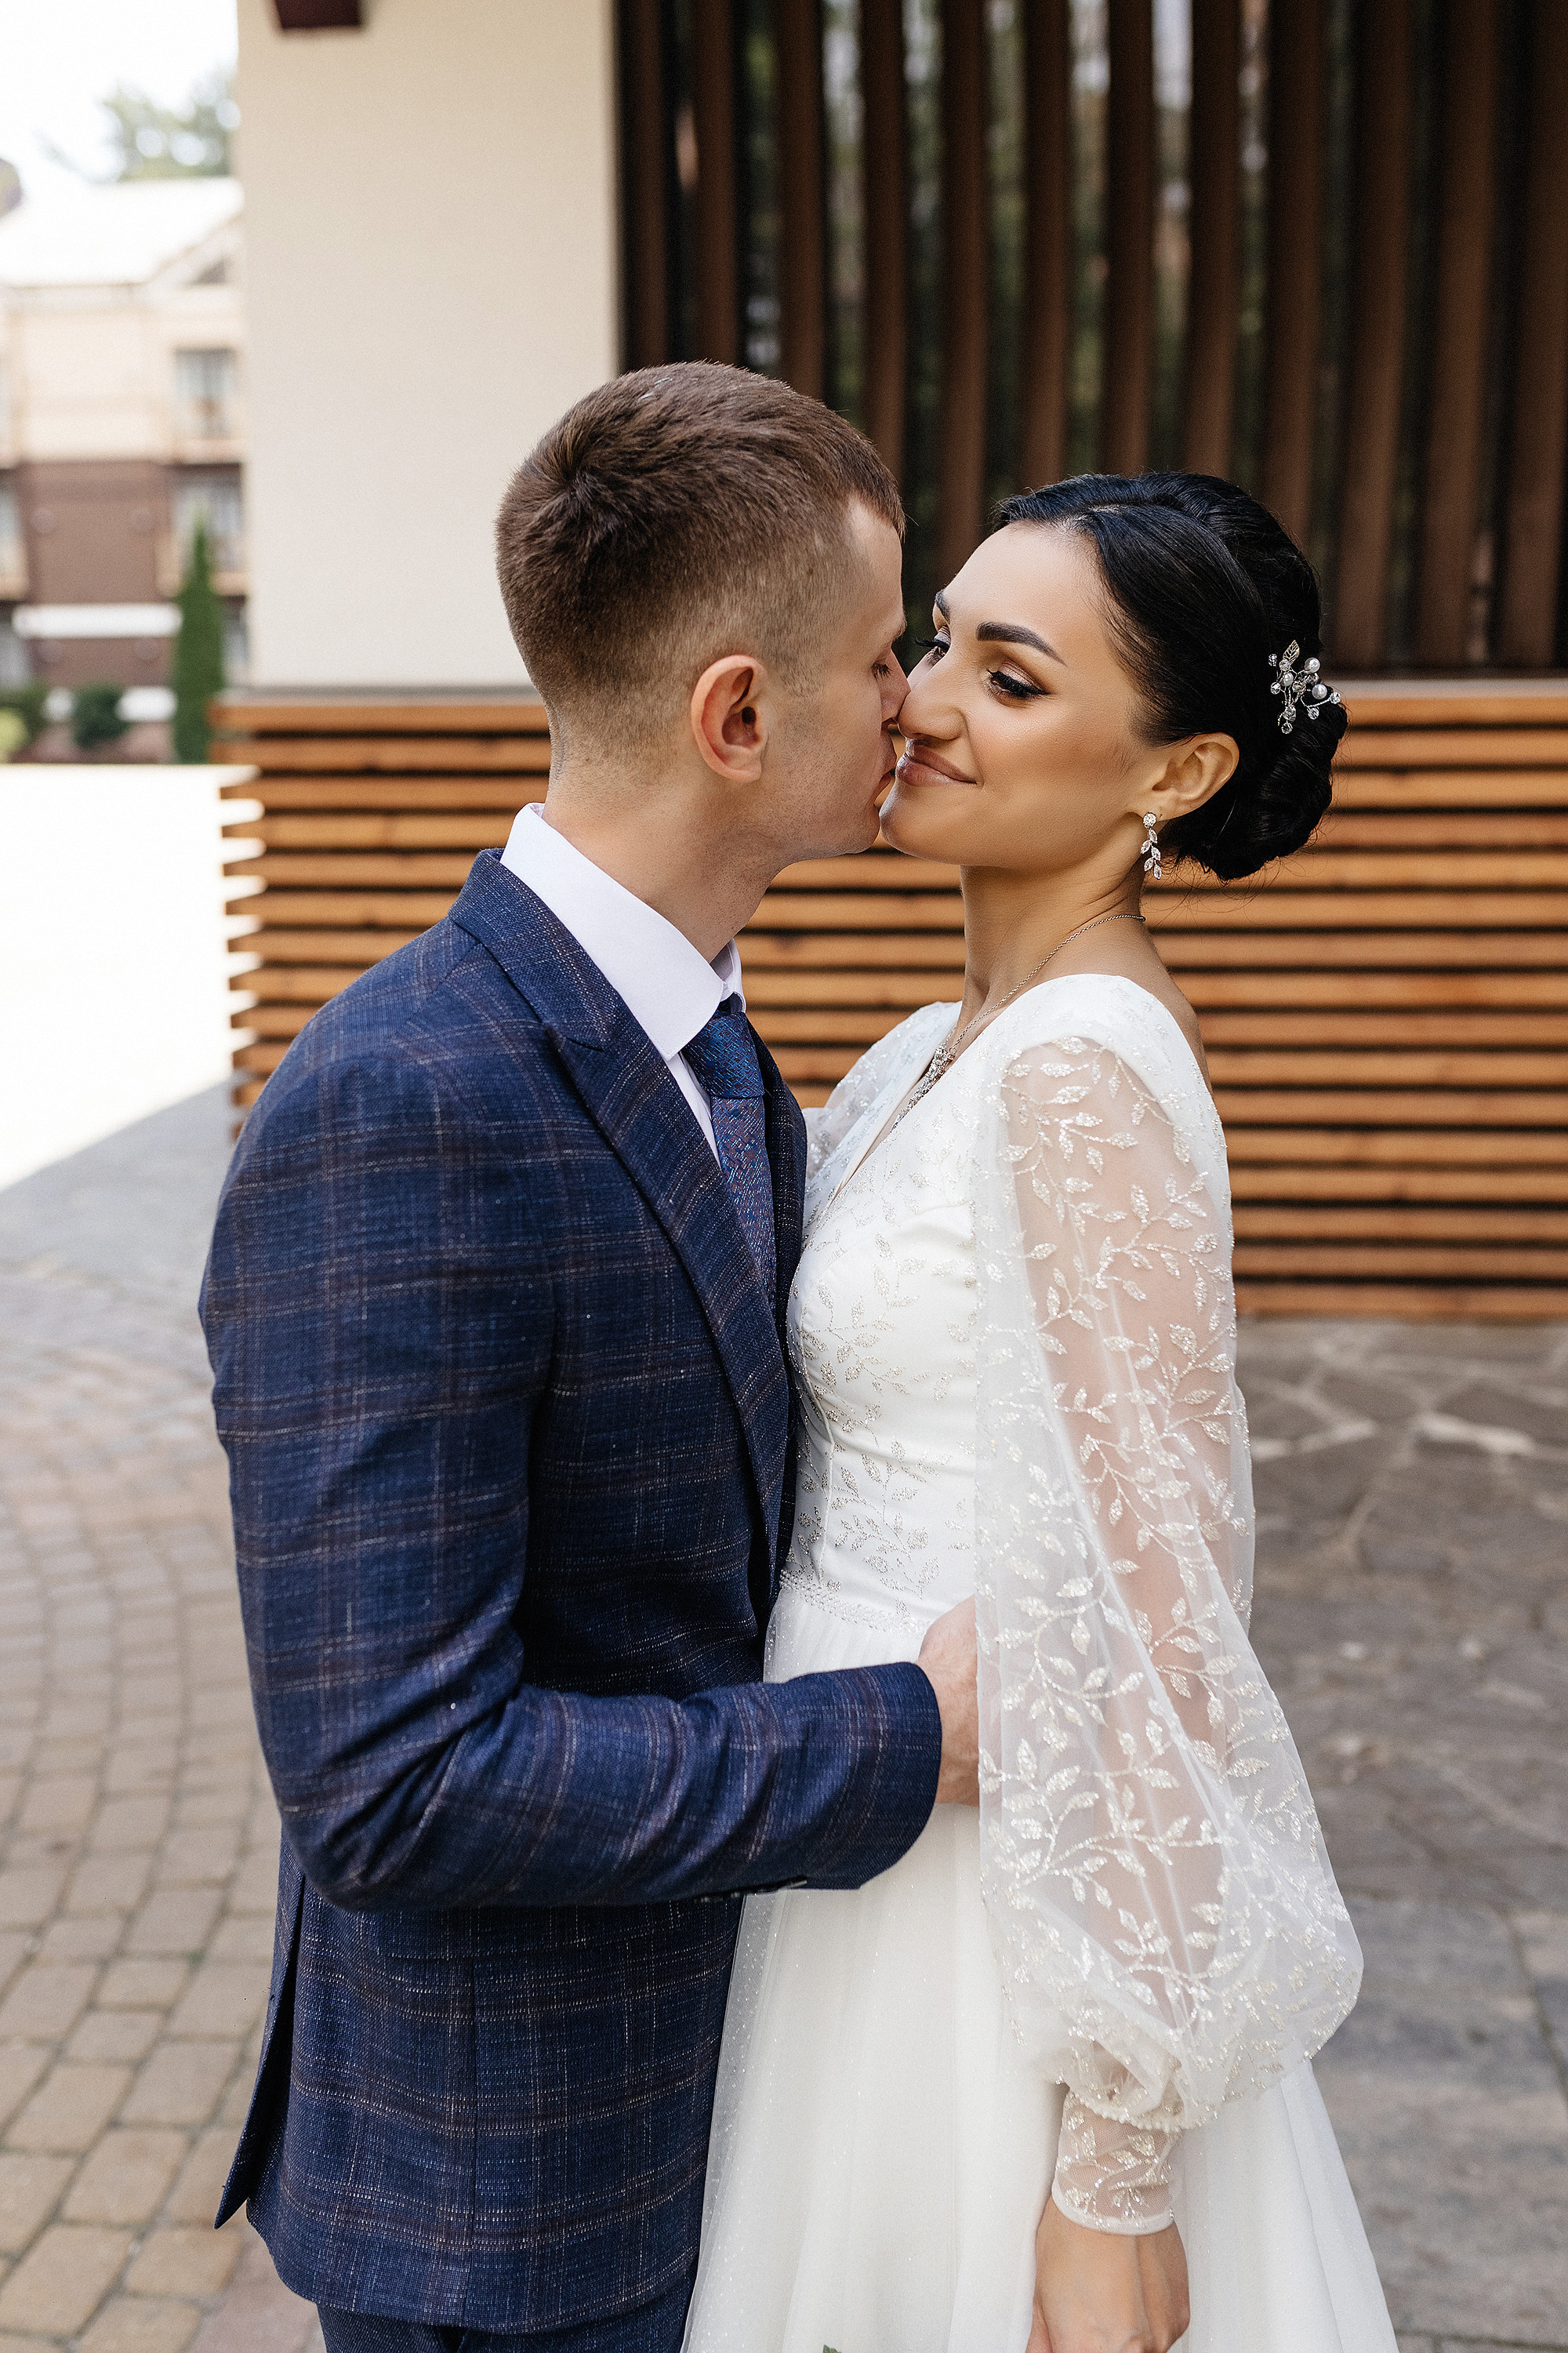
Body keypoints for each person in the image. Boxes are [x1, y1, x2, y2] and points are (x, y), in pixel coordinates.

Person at [199, 362, 984, 2353]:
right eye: (880, 656)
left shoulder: (709, 1037)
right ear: (739, 716)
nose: (913, 702)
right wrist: (908, 1735)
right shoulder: (404, 1101)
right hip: (515, 2209)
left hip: (732, 2118)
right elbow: (397, 1783)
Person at [681, 474, 1399, 2353]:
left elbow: (1164, 1621)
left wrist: (1113, 2170)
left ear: (1174, 772)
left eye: (1008, 678)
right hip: (856, 1820)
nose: (919, 700)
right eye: (934, 642)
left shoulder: (1082, 1074)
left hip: (983, 1917)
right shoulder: (935, 1048)